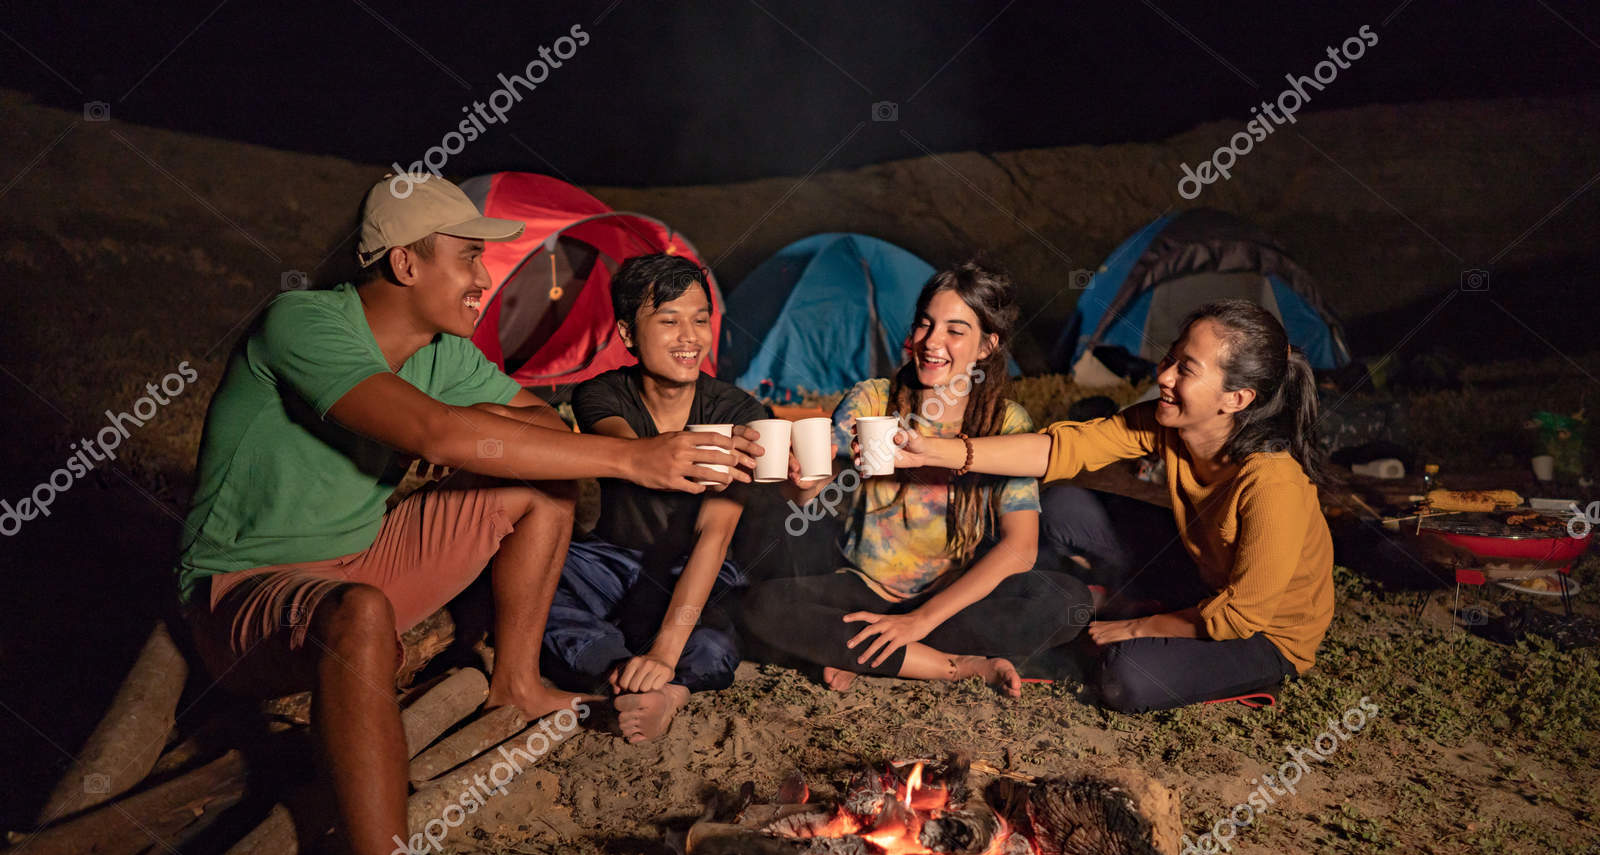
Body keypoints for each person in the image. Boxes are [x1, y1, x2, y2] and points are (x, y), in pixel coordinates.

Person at [176, 174, 757, 855]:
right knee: (362, 612)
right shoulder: (304, 323)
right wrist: (634, 458)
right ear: (404, 261)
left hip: (363, 563)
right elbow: (439, 439)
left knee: (539, 483)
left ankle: (515, 681)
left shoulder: (442, 352)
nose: (489, 280)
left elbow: (524, 421)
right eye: (468, 258)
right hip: (247, 592)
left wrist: (484, 422)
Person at [889, 298, 1334, 713]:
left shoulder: (1273, 484)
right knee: (1063, 504)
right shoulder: (1170, 426)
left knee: (1125, 676)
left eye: (1187, 370)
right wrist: (935, 451)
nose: (1163, 376)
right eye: (1171, 358)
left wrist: (1138, 627)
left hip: (1263, 631)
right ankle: (1040, 608)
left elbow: (1241, 614)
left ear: (1236, 399)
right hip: (1203, 573)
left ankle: (1212, 658)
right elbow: (1063, 449)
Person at [742, 263, 1092, 695]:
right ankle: (952, 665)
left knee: (1068, 602)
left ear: (987, 346)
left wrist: (919, 620)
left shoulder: (1006, 422)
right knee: (762, 606)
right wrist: (800, 478)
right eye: (925, 324)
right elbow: (816, 486)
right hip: (862, 587)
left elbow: (1020, 547)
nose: (931, 342)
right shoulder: (873, 398)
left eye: (954, 330)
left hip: (954, 597)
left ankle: (870, 652)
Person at [541, 254, 769, 743]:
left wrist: (665, 652)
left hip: (698, 567)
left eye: (700, 319)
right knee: (530, 580)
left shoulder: (740, 412)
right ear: (627, 334)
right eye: (669, 321)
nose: (690, 337)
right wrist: (657, 457)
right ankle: (622, 669)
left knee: (714, 640)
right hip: (611, 559)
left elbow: (715, 533)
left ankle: (666, 687)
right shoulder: (601, 394)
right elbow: (622, 448)